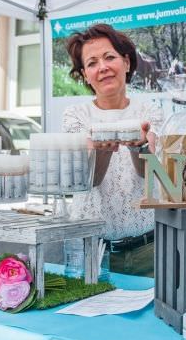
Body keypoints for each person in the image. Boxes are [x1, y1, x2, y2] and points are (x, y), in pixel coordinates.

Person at [63, 24, 162, 277]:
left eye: (109, 57)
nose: (103, 67)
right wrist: (103, 150)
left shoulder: (150, 111)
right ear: (85, 74)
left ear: (126, 63)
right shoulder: (76, 116)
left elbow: (146, 172)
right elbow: (90, 179)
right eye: (92, 63)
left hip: (147, 250)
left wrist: (138, 145)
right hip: (91, 251)